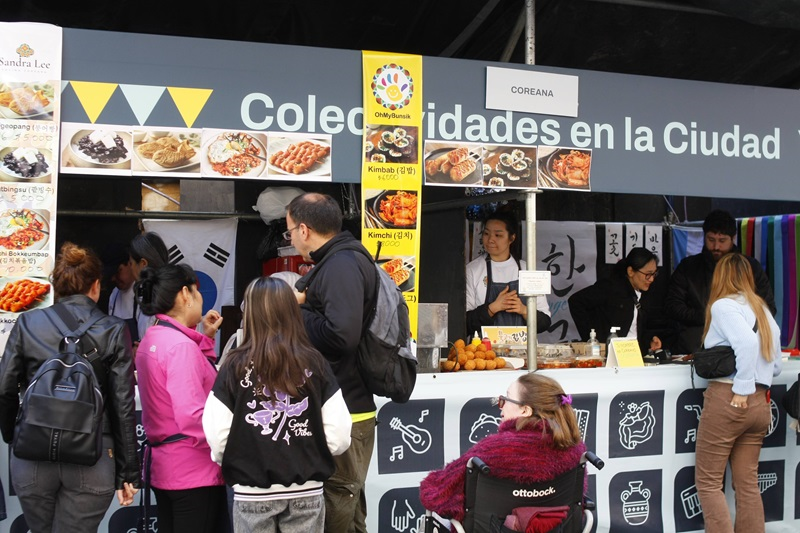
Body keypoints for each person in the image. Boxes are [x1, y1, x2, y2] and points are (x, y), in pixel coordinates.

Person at [0, 242, 140, 532]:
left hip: (32, 455)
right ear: (96, 286)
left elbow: (4, 386)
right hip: (94, 455)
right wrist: (128, 474)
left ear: (57, 287)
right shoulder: (113, 329)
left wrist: (13, 435)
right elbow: (122, 405)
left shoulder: (28, 322)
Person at [203, 277, 352, 532]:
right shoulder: (315, 362)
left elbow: (218, 437)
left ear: (250, 314)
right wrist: (307, 452)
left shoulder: (234, 365)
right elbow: (339, 435)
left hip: (252, 492)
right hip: (307, 491)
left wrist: (240, 460)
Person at [287, 192, 377, 533]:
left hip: (345, 406)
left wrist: (297, 310)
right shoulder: (339, 260)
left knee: (338, 498)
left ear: (305, 230)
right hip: (344, 403)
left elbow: (342, 336)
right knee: (349, 504)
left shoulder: (341, 264)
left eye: (290, 231)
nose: (291, 238)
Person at [419, 373, 586, 524]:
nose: (501, 405)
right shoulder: (575, 450)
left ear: (525, 410)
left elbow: (435, 495)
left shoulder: (492, 450)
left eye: (506, 399)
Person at [135, 263, 227, 533]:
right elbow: (191, 415)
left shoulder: (153, 336)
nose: (200, 298)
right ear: (185, 294)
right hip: (193, 469)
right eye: (197, 291)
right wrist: (229, 444)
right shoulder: (180, 347)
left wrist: (206, 339)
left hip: (165, 467)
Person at [694, 253, 781, 533]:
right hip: (760, 403)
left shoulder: (723, 306)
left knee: (708, 482)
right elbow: (776, 363)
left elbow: (745, 342)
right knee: (747, 481)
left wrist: (742, 386)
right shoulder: (762, 309)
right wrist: (756, 381)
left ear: (720, 276)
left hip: (730, 396)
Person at [666, 209, 776, 354]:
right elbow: (672, 306)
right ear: (704, 236)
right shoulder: (688, 267)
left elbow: (767, 308)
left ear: (733, 238)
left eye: (722, 240)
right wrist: (707, 315)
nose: (716, 246)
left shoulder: (750, 267)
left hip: (740, 350)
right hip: (694, 349)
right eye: (711, 240)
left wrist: (735, 319)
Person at [465, 211, 551, 337]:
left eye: (498, 235)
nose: (490, 240)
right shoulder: (472, 270)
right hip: (484, 353)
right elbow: (465, 323)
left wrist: (523, 310)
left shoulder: (528, 270)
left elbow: (545, 322)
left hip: (522, 352)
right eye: (486, 233)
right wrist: (493, 308)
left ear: (512, 238)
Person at [568, 247, 663, 355]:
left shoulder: (645, 293)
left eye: (654, 274)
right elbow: (576, 301)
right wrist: (591, 337)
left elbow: (636, 328)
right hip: (610, 357)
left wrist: (650, 339)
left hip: (633, 356)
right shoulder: (610, 287)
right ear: (631, 271)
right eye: (648, 274)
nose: (651, 279)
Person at [130, 231, 171, 342]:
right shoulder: (144, 294)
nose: (130, 268)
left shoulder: (165, 297)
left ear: (143, 264)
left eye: (131, 263)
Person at [104, 242, 139, 341]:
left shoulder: (142, 294)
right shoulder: (114, 295)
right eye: (112, 275)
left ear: (130, 264)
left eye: (119, 271)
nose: (114, 279)